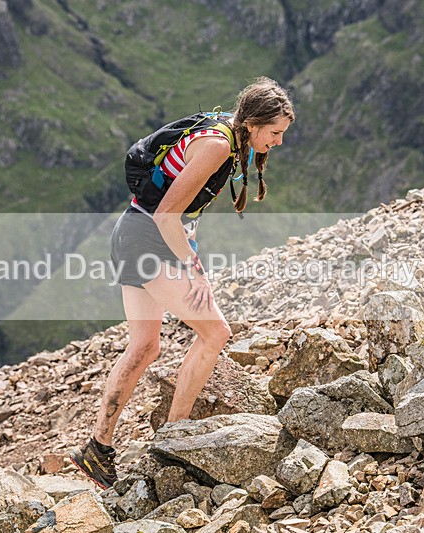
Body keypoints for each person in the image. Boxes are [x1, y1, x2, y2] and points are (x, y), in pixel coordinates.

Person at [70, 77, 295, 489]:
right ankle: (175, 438)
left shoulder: (224, 130)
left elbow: (178, 212)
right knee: (215, 334)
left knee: (144, 346)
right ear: (253, 124)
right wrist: (193, 268)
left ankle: (97, 449)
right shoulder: (217, 146)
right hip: (148, 239)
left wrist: (190, 254)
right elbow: (167, 216)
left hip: (131, 231)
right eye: (276, 133)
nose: (279, 142)